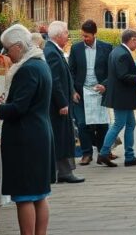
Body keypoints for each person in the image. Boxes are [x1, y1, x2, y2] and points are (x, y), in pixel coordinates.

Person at [0, 25, 55, 235]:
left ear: (18, 46)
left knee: (24, 196)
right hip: (39, 133)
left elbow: (19, 108)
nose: (7, 53)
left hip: (26, 139)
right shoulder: (40, 64)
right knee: (40, 194)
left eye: (8, 49)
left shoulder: (27, 69)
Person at [98, 29, 136, 167]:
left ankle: (129, 156)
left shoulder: (116, 51)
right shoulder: (123, 54)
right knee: (118, 124)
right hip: (122, 97)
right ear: (132, 39)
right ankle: (104, 153)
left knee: (131, 124)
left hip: (121, 96)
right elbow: (123, 76)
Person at [42, 21, 84, 184]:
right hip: (58, 106)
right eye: (66, 33)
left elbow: (63, 75)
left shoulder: (55, 50)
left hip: (64, 101)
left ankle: (63, 171)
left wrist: (72, 92)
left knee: (64, 137)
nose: (68, 36)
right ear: (58, 36)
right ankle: (63, 172)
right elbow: (55, 80)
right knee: (61, 138)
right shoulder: (51, 52)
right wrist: (62, 103)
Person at [68, 19, 112, 165]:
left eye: (87, 36)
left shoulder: (106, 48)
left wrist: (105, 85)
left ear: (94, 34)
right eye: (82, 35)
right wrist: (73, 90)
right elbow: (71, 72)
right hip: (81, 91)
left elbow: (111, 71)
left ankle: (103, 152)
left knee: (102, 123)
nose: (84, 38)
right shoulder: (76, 49)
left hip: (99, 90)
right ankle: (87, 154)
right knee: (82, 123)